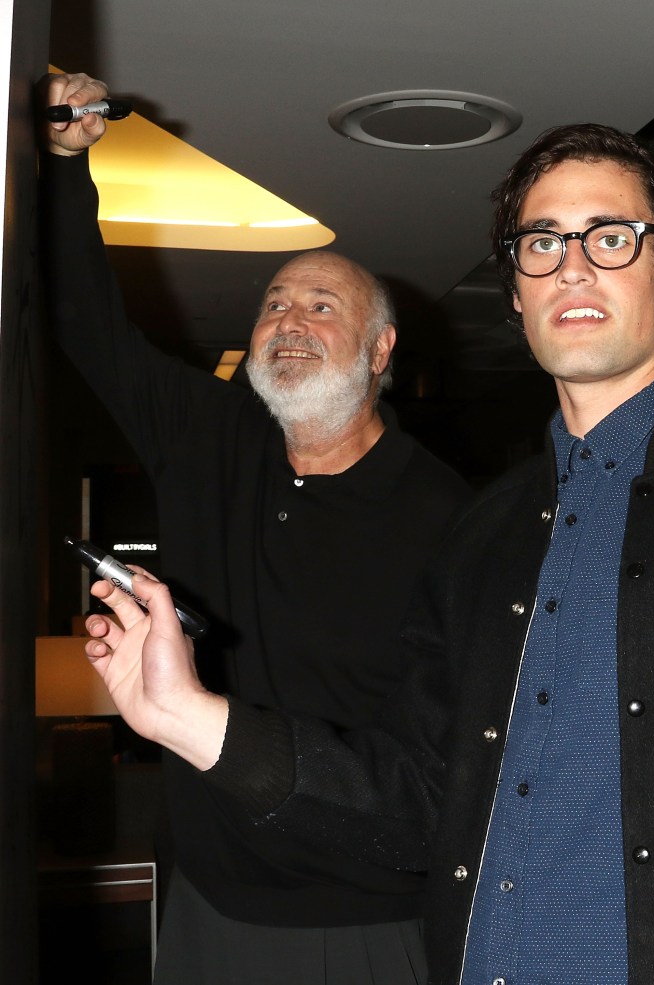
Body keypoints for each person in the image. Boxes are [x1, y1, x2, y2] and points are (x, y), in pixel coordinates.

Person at [81, 122, 654, 984]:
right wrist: (186, 714)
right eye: (542, 242)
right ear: (515, 293)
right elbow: (418, 799)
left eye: (612, 237)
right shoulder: (486, 530)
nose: (573, 264)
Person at [41, 72, 470, 985]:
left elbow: (443, 765)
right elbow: (86, 321)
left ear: (381, 348)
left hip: (366, 916)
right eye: (275, 301)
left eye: (322, 305)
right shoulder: (210, 436)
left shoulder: (451, 518)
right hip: (206, 900)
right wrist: (63, 167)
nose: (290, 320)